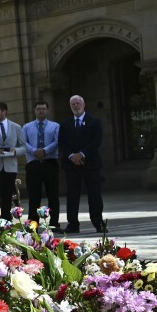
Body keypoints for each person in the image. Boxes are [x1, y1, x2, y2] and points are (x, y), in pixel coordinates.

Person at [60, 94, 105, 234]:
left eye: (78, 103)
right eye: (73, 104)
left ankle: (98, 223)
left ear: (84, 105)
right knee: (72, 195)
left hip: (91, 164)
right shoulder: (65, 123)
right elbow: (62, 143)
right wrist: (72, 156)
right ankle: (73, 224)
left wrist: (82, 154)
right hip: (71, 165)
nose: (76, 106)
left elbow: (96, 141)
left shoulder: (94, 121)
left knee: (94, 195)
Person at [23, 100, 61, 231]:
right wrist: (34, 151)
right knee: (34, 196)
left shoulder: (55, 126)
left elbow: (57, 142)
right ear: (34, 110)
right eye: (38, 109)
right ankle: (33, 225)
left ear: (47, 110)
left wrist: (45, 150)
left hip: (50, 163)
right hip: (33, 164)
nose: (41, 111)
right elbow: (24, 142)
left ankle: (54, 224)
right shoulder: (27, 127)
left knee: (53, 195)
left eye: (43, 109)